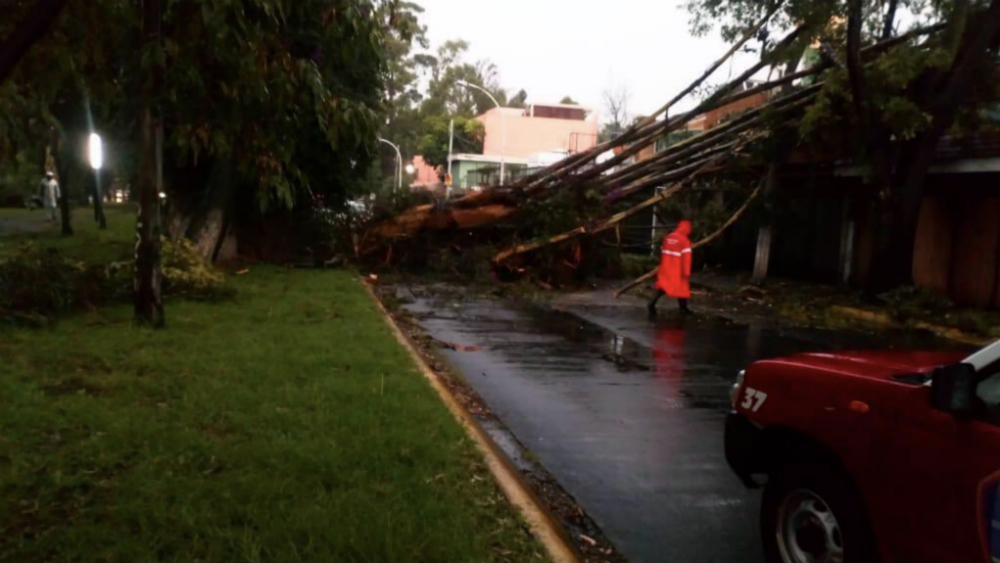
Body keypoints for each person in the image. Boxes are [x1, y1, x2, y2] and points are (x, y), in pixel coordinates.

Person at [648, 219, 693, 316]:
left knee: (663, 285)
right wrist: (686, 272)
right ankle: (683, 308)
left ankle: (652, 303)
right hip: (678, 269)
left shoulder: (668, 237)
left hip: (666, 267)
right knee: (682, 288)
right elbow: (686, 259)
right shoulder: (685, 241)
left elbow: (662, 252)